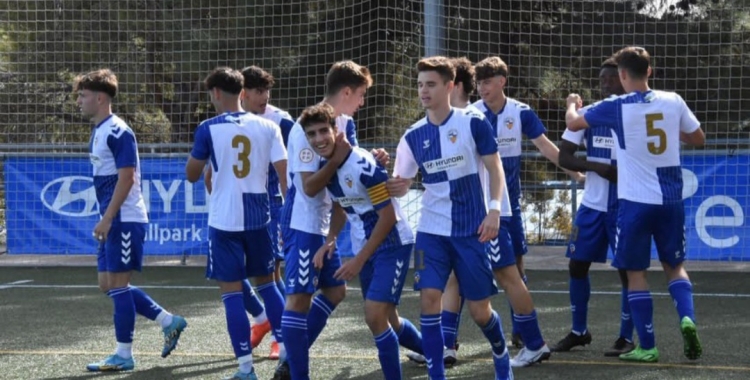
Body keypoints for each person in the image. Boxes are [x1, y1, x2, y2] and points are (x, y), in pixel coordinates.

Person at [566, 46, 704, 363]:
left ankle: (648, 345)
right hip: (671, 200)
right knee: (675, 267)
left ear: (623, 75)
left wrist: (571, 105)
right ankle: (687, 318)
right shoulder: (673, 101)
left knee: (635, 273)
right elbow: (698, 139)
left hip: (635, 203)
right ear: (650, 72)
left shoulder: (617, 106)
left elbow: (574, 125)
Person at [388, 56, 513, 380]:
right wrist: (397, 184)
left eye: (431, 84)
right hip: (431, 230)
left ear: (450, 86)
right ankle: (436, 373)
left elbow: (495, 167)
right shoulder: (412, 136)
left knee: (479, 310)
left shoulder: (472, 123)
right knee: (429, 298)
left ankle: (500, 350)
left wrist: (495, 209)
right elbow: (400, 185)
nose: (423, 91)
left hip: (471, 230)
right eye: (419, 85)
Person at [279, 60, 391, 380]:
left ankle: (291, 360)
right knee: (299, 299)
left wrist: (373, 157)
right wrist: (338, 161)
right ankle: (294, 369)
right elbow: (309, 187)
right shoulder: (308, 127)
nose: (362, 101)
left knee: (335, 292)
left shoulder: (344, 126)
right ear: (346, 92)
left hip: (324, 222)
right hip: (302, 222)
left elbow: (348, 166)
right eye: (361, 94)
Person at [294, 102, 418, 380]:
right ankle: (432, 353)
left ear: (336, 130)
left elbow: (387, 218)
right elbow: (341, 207)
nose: (318, 139)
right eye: (311, 134)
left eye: (323, 131)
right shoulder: (329, 168)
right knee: (389, 318)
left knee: (375, 316)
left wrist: (358, 260)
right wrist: (331, 240)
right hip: (368, 246)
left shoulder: (362, 164)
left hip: (392, 243)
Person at [76, 69, 187, 372]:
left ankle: (124, 354)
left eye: (83, 95)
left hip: (124, 219)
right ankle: (169, 321)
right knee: (107, 284)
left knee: (119, 286)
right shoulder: (100, 130)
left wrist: (108, 217)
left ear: (100, 98)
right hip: (113, 219)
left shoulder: (118, 131)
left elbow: (127, 177)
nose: (79, 101)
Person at [186, 67, 287, 380]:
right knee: (270, 286)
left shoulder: (207, 128)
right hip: (260, 218)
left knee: (231, 295)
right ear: (243, 92)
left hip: (224, 222)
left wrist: (209, 165)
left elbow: (192, 174)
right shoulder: (268, 127)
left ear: (216, 93)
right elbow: (285, 178)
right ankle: (289, 354)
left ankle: (246, 369)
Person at [473, 56, 559, 366]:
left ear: (501, 82)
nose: (482, 87)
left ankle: (527, 337)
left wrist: (575, 171)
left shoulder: (519, 112)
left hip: (504, 209)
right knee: (506, 274)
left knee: (513, 272)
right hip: (489, 209)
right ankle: (446, 343)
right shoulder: (472, 114)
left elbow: (546, 146)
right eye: (478, 82)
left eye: (487, 81)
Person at [551, 57, 635, 356]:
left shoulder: (634, 114)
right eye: (601, 79)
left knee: (627, 270)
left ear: (624, 79)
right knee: (576, 265)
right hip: (592, 206)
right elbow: (565, 157)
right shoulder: (587, 115)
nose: (605, 84)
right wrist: (596, 166)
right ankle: (579, 331)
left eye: (611, 79)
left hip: (625, 205)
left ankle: (626, 337)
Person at [239, 65, 296, 360]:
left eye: (267, 91)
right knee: (232, 273)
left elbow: (293, 164)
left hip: (271, 205)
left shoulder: (280, 121)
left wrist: (290, 208)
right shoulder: (229, 121)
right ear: (243, 93)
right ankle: (263, 320)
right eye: (259, 91)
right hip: (236, 208)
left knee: (270, 272)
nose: (265, 97)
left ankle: (281, 335)